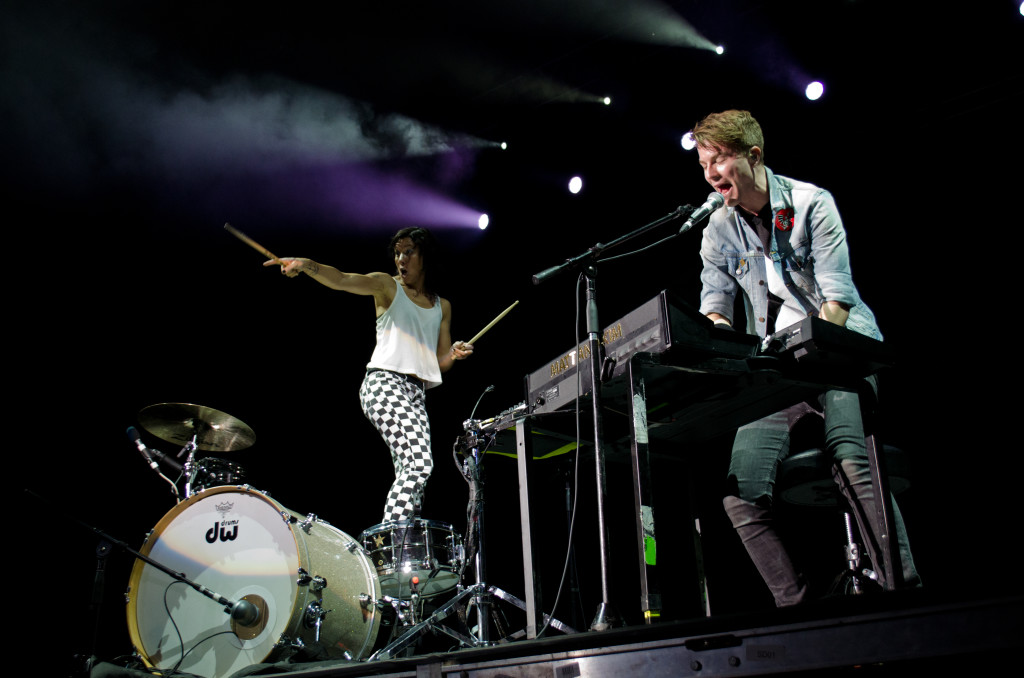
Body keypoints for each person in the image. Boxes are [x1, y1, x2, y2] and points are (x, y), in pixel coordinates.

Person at [691, 109, 918, 606]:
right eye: (704, 163)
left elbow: (837, 301)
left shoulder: (812, 203)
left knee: (852, 460)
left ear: (753, 156)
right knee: (739, 496)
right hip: (776, 366)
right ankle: (797, 609)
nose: (710, 173)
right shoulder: (717, 229)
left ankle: (904, 594)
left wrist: (811, 358)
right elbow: (716, 309)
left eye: (720, 159)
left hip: (841, 352)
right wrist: (725, 350)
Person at [265, 227, 473, 523]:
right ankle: (393, 534)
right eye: (398, 253)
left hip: (416, 394)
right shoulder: (387, 285)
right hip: (384, 384)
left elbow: (438, 363)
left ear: (425, 256)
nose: (401, 259)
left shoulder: (442, 306)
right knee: (420, 462)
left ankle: (403, 536)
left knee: (413, 477)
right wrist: (306, 264)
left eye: (409, 252)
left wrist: (453, 354)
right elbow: (341, 279)